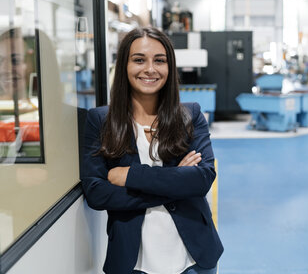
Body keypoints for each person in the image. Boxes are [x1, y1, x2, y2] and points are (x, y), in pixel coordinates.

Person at [80, 27, 223, 274]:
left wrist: (130, 176)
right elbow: (97, 194)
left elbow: (202, 179)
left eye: (160, 60)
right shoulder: (100, 121)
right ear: (124, 65)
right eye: (139, 60)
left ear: (170, 67)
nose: (150, 69)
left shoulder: (190, 115)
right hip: (133, 262)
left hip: (193, 259)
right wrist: (176, 182)